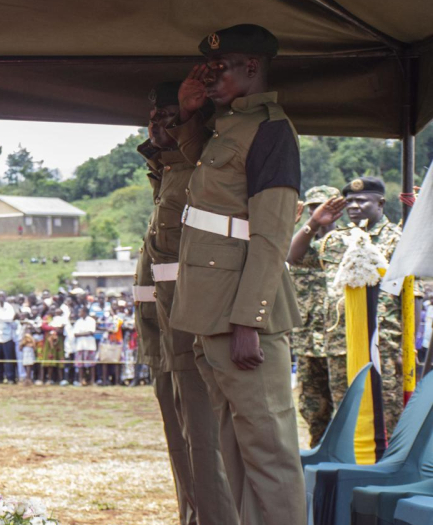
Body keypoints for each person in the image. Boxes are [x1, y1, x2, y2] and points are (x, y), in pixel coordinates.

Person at [168, 24, 305, 524]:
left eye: (220, 67)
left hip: (244, 317)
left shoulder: (271, 129)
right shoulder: (227, 127)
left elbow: (270, 236)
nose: (210, 76)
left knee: (270, 456)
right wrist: (187, 114)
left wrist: (249, 319)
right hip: (213, 312)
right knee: (236, 452)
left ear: (252, 67)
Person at [138, 79, 237, 524]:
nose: (159, 125)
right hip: (163, 336)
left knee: (204, 442)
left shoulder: (198, 172)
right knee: (182, 444)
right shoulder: (164, 175)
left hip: (192, 332)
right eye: (154, 117)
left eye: (170, 117)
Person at [289, 176, 406, 434]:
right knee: (346, 416)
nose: (354, 206)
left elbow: (412, 295)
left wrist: (406, 347)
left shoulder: (396, 240)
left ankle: (379, 472)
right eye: (350, 201)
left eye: (362, 200)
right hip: (341, 345)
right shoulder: (338, 239)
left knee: (384, 414)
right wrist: (313, 222)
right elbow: (294, 257)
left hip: (381, 342)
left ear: (381, 203)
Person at [285, 185, 342, 445]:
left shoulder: (347, 242)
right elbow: (287, 256)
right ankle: (318, 452)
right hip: (308, 342)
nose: (319, 214)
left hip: (340, 343)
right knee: (312, 406)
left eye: (324, 207)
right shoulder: (302, 245)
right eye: (313, 209)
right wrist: (307, 225)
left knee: (344, 404)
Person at [0, 291, 18, 384]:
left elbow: (10, 318)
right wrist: (4, 318)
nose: (1, 297)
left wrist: (0, 318)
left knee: (9, 359)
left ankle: (10, 378)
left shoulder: (9, 307)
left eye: (3, 296)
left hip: (7, 337)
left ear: (5, 297)